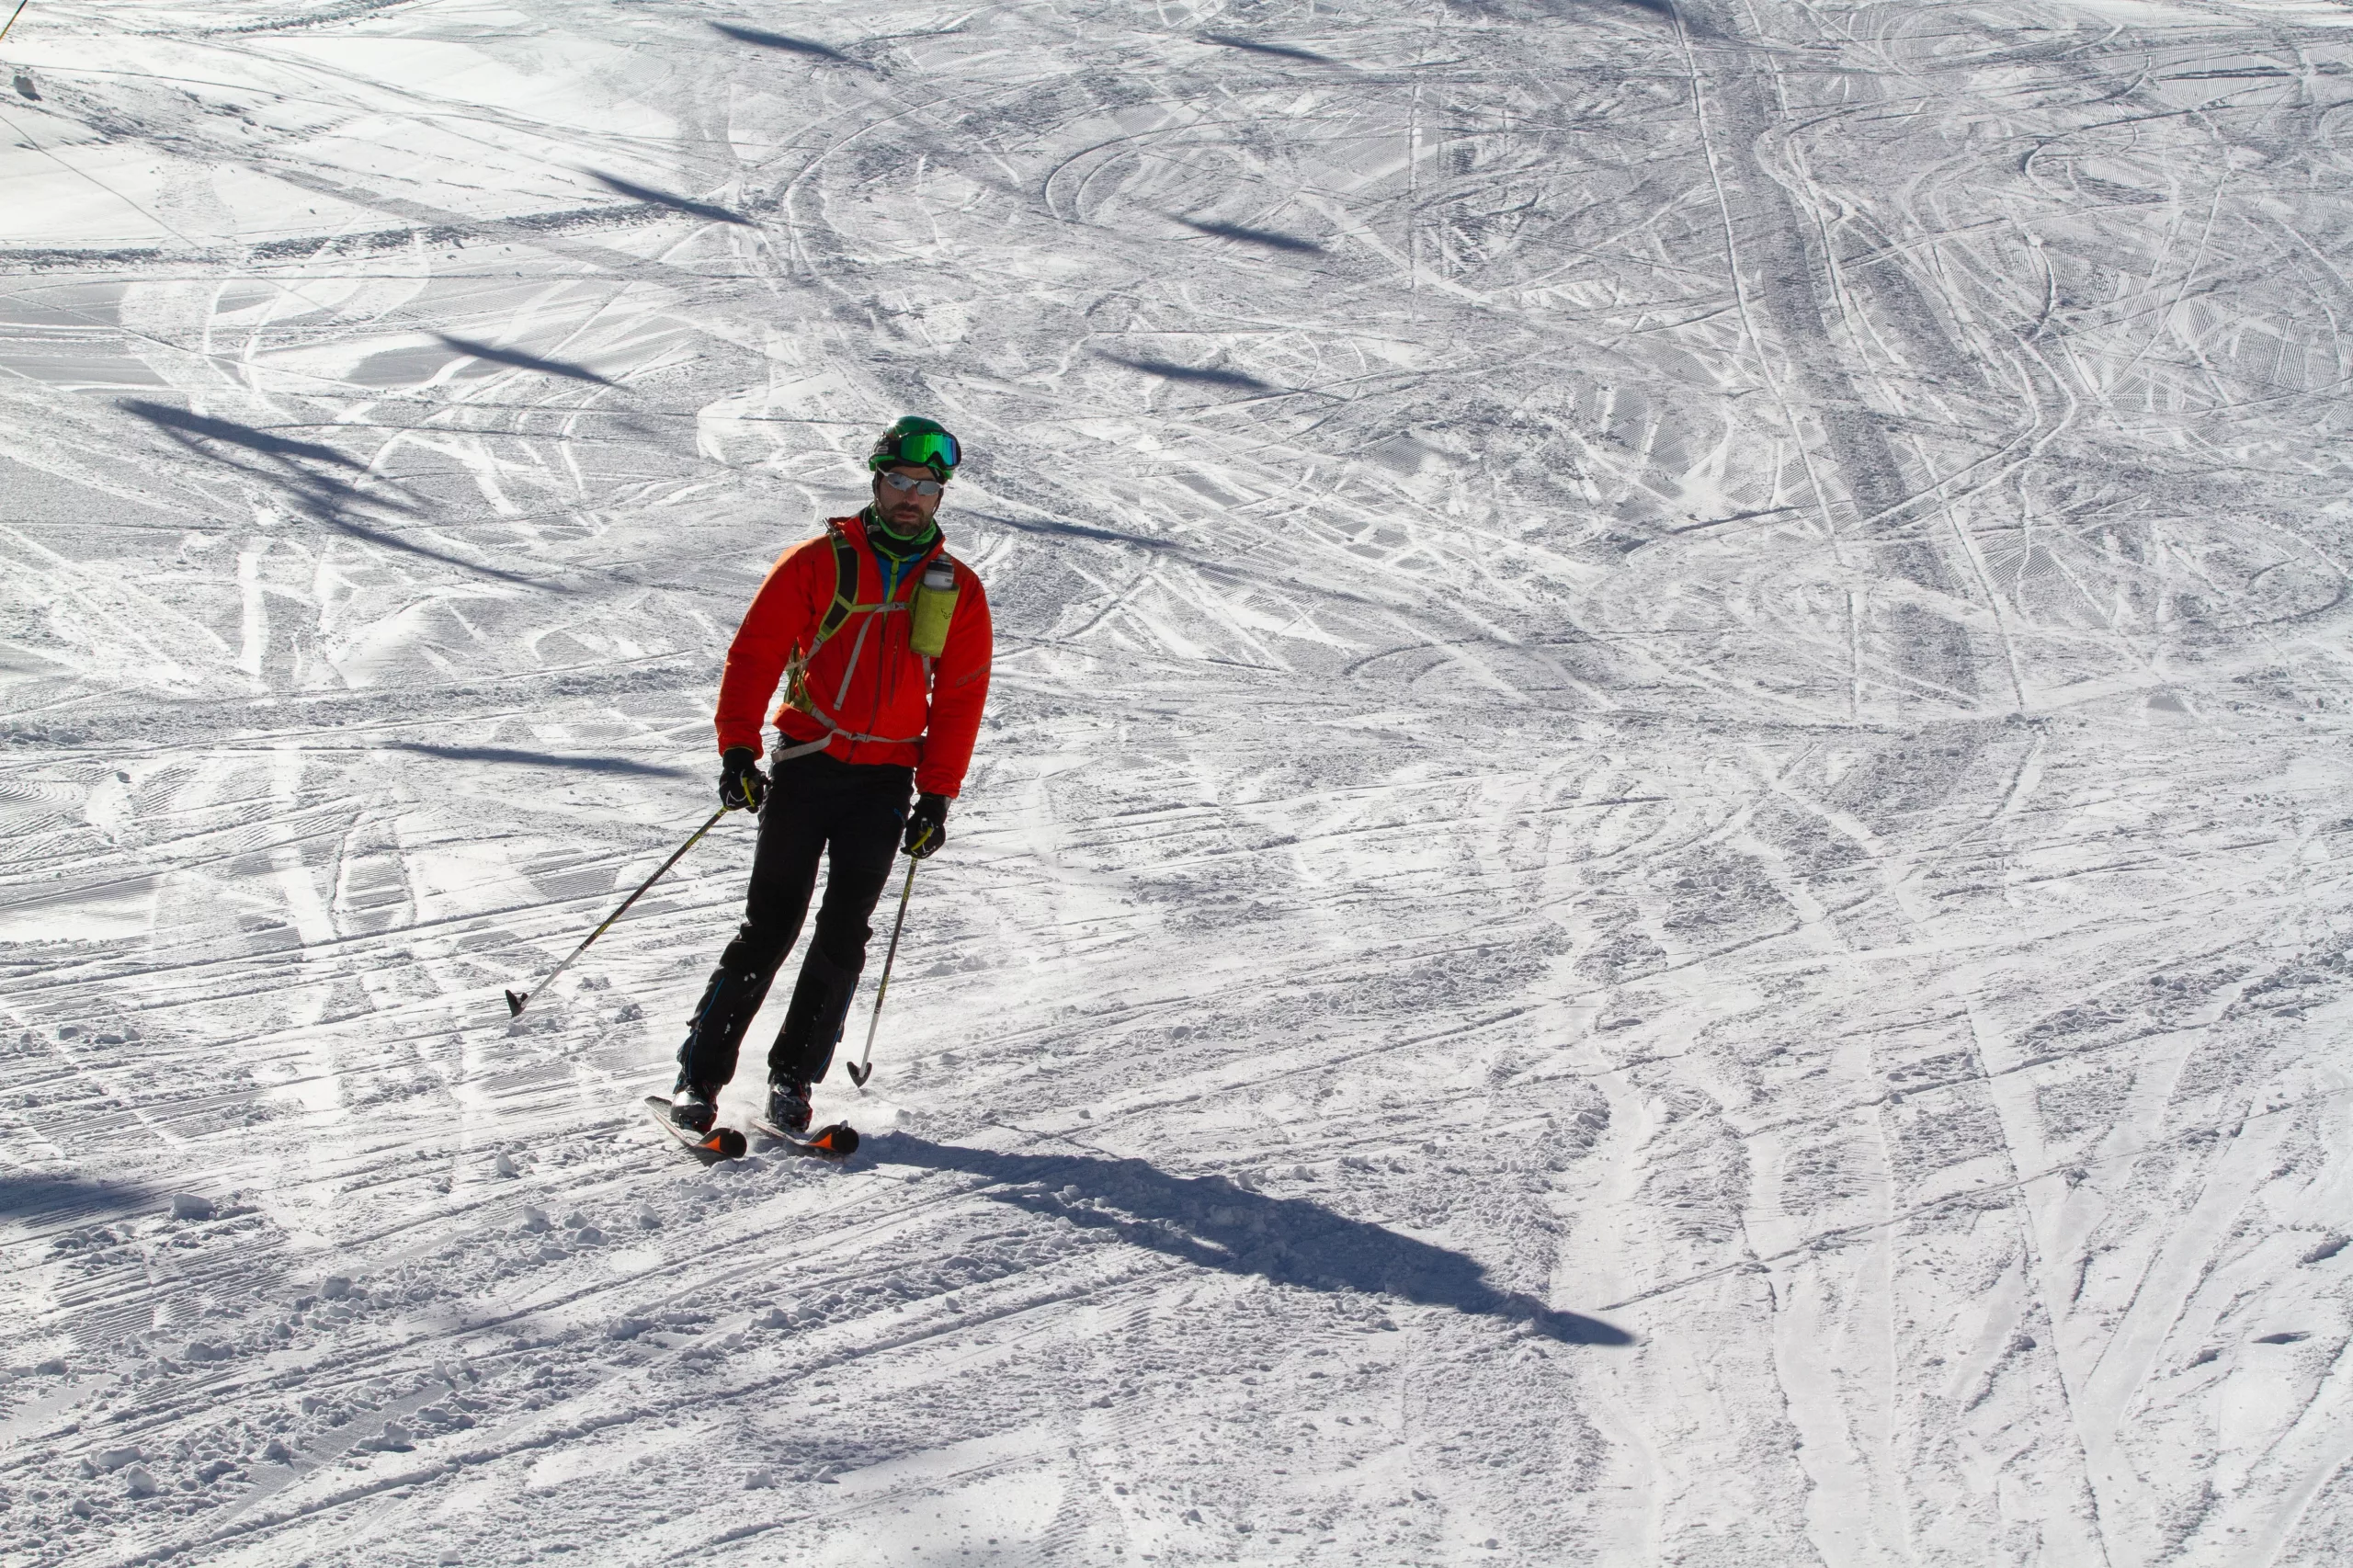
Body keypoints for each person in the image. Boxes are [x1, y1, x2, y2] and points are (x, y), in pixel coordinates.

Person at [669, 416, 992, 1135]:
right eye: (900, 482)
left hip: (883, 785)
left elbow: (962, 694)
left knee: (845, 934)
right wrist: (735, 751)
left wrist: (936, 795)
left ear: (942, 498)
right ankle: (699, 1078)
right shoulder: (819, 561)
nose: (912, 498)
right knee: (770, 927)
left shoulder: (956, 589)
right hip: (808, 766)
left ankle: (793, 1080)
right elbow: (754, 655)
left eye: (926, 488)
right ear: (877, 482)